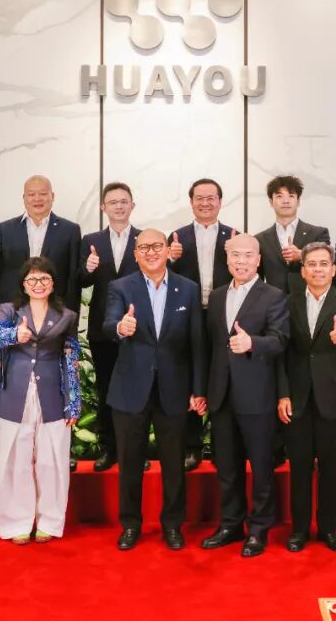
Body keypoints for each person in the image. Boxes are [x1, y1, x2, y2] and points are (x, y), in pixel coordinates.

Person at [103, 229, 207, 551]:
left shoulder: (188, 289)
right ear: (135, 254)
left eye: (156, 246)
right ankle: (130, 525)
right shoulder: (121, 287)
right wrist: (122, 327)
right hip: (130, 389)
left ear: (167, 251)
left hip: (174, 389)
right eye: (144, 247)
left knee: (174, 464)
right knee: (130, 463)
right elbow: (108, 325)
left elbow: (197, 343)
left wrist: (198, 389)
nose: (150, 252)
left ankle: (173, 525)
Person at [202, 234, 289, 557]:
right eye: (235, 255)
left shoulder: (274, 296)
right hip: (221, 394)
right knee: (227, 467)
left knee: (262, 467)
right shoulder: (217, 296)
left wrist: (253, 343)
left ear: (258, 260)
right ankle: (230, 524)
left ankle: (259, 529)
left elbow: (281, 340)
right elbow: (211, 346)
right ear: (227, 260)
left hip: (258, 394)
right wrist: (204, 391)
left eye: (247, 255)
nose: (241, 261)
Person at [277, 242, 336, 554]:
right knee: (300, 467)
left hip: (334, 397)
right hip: (297, 397)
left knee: (330, 468)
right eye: (311, 264)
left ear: (333, 269)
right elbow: (281, 352)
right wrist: (282, 394)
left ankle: (328, 529)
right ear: (302, 271)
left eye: (323, 264)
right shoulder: (287, 302)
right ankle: (299, 530)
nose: (317, 269)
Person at [0, 257, 81, 543]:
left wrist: (74, 402)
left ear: (53, 283)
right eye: (32, 279)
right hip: (13, 393)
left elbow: (71, 358)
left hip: (53, 394)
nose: (38, 284)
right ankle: (16, 522)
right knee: (13, 459)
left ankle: (49, 522)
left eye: (44, 279)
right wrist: (15, 334)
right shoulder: (9, 310)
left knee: (53, 460)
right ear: (23, 284)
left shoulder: (67, 315)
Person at [168, 178, 235, 471]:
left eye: (211, 198)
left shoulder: (234, 236)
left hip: (223, 316)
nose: (205, 203)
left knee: (222, 376)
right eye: (199, 198)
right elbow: (160, 275)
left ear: (220, 201)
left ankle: (222, 447)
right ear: (191, 201)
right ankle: (192, 446)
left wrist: (235, 252)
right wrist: (170, 259)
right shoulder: (177, 237)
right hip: (188, 316)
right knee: (191, 377)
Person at [79, 182, 142, 472]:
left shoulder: (144, 239)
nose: (118, 206)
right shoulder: (91, 240)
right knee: (106, 390)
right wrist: (88, 268)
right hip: (102, 328)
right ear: (103, 207)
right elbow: (80, 280)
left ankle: (136, 452)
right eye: (113, 202)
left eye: (123, 201)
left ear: (132, 205)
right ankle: (109, 449)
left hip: (138, 327)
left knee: (136, 391)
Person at [0, 175, 81, 312]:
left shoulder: (70, 230)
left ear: (52, 196)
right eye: (31, 194)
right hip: (12, 309)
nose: (37, 199)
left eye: (43, 194)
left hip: (55, 310)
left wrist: (71, 315)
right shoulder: (5, 229)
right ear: (24, 198)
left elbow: (73, 277)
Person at [255, 175, 331, 295]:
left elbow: (327, 264)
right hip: (273, 302)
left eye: (291, 196)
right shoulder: (260, 239)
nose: (286, 201)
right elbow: (257, 277)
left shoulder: (318, 233)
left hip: (309, 300)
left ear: (298, 201)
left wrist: (302, 255)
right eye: (279, 196)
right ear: (271, 202)